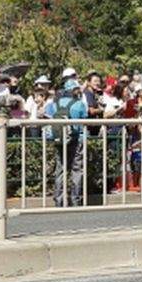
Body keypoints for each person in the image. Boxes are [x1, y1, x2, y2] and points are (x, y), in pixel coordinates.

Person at [46, 79, 88, 207]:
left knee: (61, 170)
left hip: (59, 140)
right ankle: (76, 199)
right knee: (77, 170)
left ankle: (59, 200)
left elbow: (48, 117)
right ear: (74, 90)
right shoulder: (79, 104)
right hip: (77, 139)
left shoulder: (54, 104)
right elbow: (84, 121)